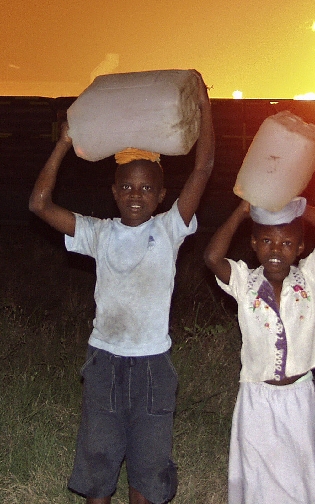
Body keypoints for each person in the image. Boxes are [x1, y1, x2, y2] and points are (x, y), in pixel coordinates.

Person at [28, 71, 215, 504]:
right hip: (104, 363)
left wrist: (205, 109)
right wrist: (62, 145)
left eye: (147, 188)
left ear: (162, 193)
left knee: (148, 472)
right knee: (98, 466)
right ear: (113, 192)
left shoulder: (171, 229)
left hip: (152, 366)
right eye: (127, 187)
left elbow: (203, 166)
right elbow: (39, 205)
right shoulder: (98, 233)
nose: (136, 195)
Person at [204, 195, 315, 504]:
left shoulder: (310, 275)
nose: (276, 250)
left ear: (300, 248)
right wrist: (242, 211)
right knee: (256, 471)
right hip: (256, 395)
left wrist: (298, 206)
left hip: (298, 394)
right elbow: (213, 258)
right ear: (253, 244)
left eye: (286, 243)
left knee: (298, 470)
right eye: (267, 240)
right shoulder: (244, 281)